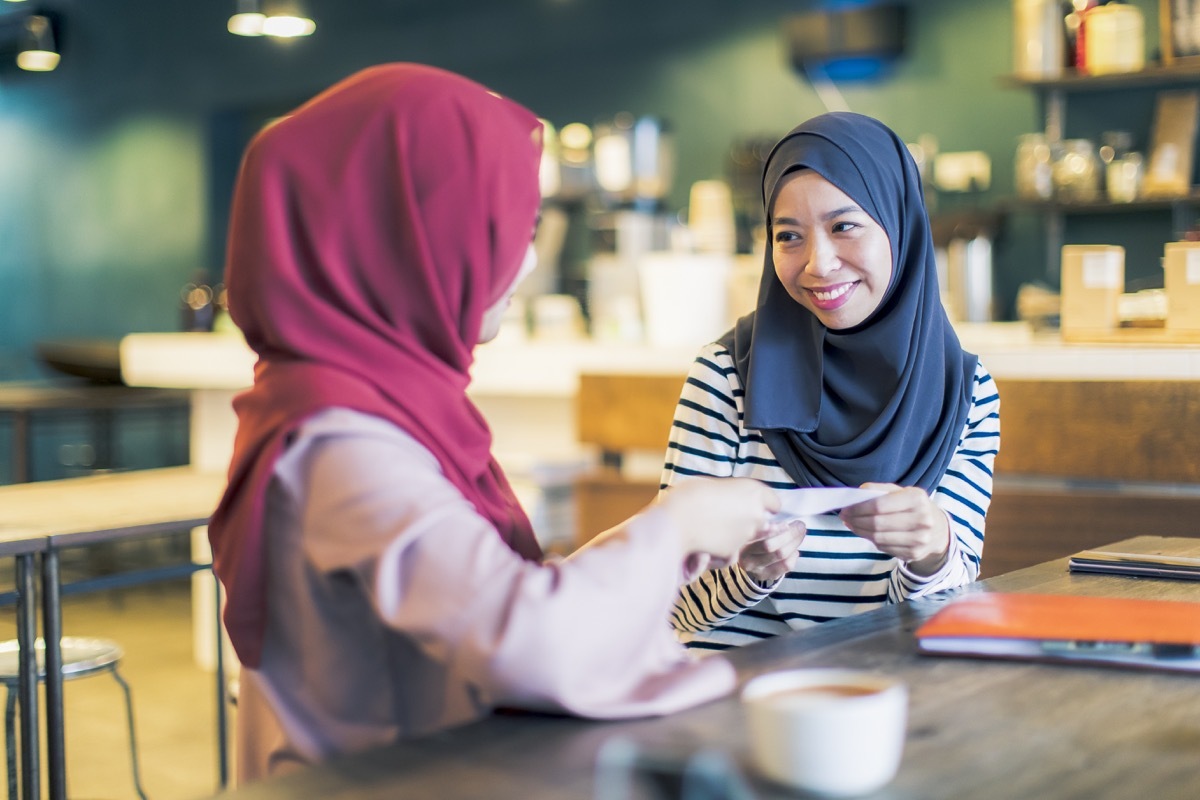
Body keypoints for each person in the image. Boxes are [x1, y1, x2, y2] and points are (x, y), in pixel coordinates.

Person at [207, 63, 783, 782]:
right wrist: (677, 530)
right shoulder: (337, 442)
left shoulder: (368, 404)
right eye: (508, 224)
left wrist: (675, 539)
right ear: (412, 236)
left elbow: (487, 599)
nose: (529, 256)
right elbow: (526, 638)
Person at [663, 112, 1000, 650]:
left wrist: (933, 549)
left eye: (844, 226)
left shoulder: (964, 391)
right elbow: (670, 607)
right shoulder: (725, 376)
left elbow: (946, 616)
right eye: (789, 236)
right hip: (729, 697)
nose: (818, 264)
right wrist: (746, 576)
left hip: (885, 689)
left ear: (899, 225)